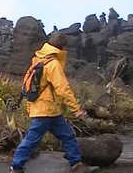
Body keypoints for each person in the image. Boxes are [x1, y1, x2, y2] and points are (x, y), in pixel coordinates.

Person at [10, 32, 93, 173]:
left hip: (47, 109)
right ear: (62, 48)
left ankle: (77, 165)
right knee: (32, 139)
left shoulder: (39, 59)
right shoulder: (53, 64)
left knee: (67, 135)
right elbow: (62, 88)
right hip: (46, 110)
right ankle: (16, 167)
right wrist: (76, 109)